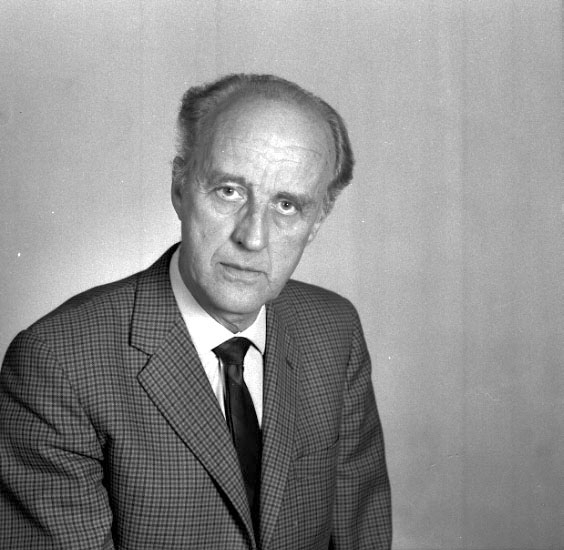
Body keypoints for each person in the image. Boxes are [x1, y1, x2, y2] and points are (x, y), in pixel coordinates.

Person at [0, 74, 391, 549]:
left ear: (316, 222)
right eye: (229, 191)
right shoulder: (57, 362)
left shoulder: (335, 329)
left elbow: (359, 534)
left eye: (287, 205)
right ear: (180, 188)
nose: (253, 238)